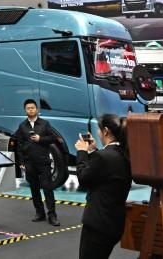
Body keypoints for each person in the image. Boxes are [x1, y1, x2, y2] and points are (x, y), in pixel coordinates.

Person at [73, 115, 132, 259]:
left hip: (98, 224)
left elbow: (83, 179)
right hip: (114, 223)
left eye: (99, 130)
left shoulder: (103, 157)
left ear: (105, 131)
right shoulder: (124, 153)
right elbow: (105, 172)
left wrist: (82, 152)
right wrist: (94, 150)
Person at [16, 98, 60, 226]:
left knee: (47, 188)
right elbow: (19, 145)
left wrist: (40, 139)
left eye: (32, 108)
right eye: (28, 108)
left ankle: (52, 215)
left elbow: (53, 138)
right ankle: (40, 213)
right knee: (34, 189)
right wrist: (21, 161)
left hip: (44, 161)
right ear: (25, 110)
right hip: (29, 162)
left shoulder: (45, 124)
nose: (30, 110)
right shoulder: (22, 126)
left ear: (36, 109)